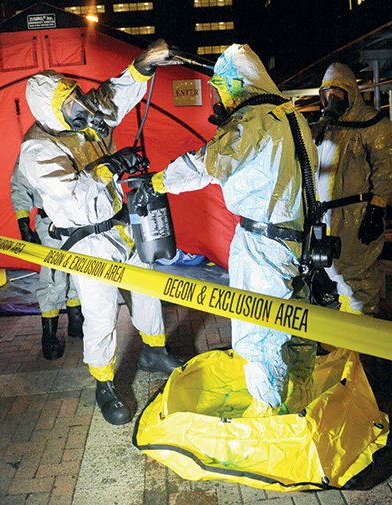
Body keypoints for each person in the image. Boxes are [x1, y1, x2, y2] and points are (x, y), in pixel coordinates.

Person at [133, 43, 318, 413]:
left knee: (258, 331)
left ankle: (268, 416)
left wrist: (160, 182)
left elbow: (208, 163)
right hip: (299, 238)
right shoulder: (291, 117)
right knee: (296, 327)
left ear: (238, 84)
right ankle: (301, 400)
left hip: (262, 244)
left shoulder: (251, 121)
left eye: (223, 88)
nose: (221, 96)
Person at [17, 39, 184, 425]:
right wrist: (110, 165)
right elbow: (73, 193)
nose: (81, 106)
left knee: (147, 291)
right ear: (50, 111)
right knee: (100, 312)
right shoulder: (36, 150)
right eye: (70, 103)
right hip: (86, 242)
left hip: (120, 228)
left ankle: (154, 350)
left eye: (76, 96)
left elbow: (113, 96)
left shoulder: (82, 117)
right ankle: (104, 383)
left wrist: (143, 64)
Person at [312, 62, 392, 315]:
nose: (331, 99)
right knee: (335, 274)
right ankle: (346, 334)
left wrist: (376, 209)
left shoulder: (371, 124)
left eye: (337, 93)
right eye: (326, 93)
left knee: (357, 276)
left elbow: (388, 166)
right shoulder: (326, 128)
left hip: (357, 214)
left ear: (351, 92)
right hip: (327, 216)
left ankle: (362, 337)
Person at [11, 158, 84, 360]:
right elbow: (20, 184)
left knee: (78, 270)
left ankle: (76, 320)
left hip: (78, 218)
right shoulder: (34, 145)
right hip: (50, 220)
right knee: (54, 277)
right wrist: (23, 222)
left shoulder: (76, 140)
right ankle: (48, 334)